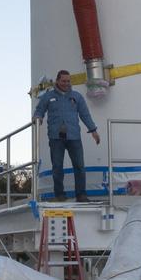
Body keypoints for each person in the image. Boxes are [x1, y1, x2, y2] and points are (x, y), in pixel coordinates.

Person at [33, 69, 100, 202]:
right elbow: (39, 109)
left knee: (79, 166)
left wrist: (93, 130)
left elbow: (85, 114)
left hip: (74, 137)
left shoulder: (77, 96)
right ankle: (60, 195)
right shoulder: (48, 96)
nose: (66, 83)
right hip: (56, 137)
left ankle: (81, 195)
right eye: (63, 81)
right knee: (57, 166)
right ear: (57, 81)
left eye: (68, 81)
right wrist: (38, 118)